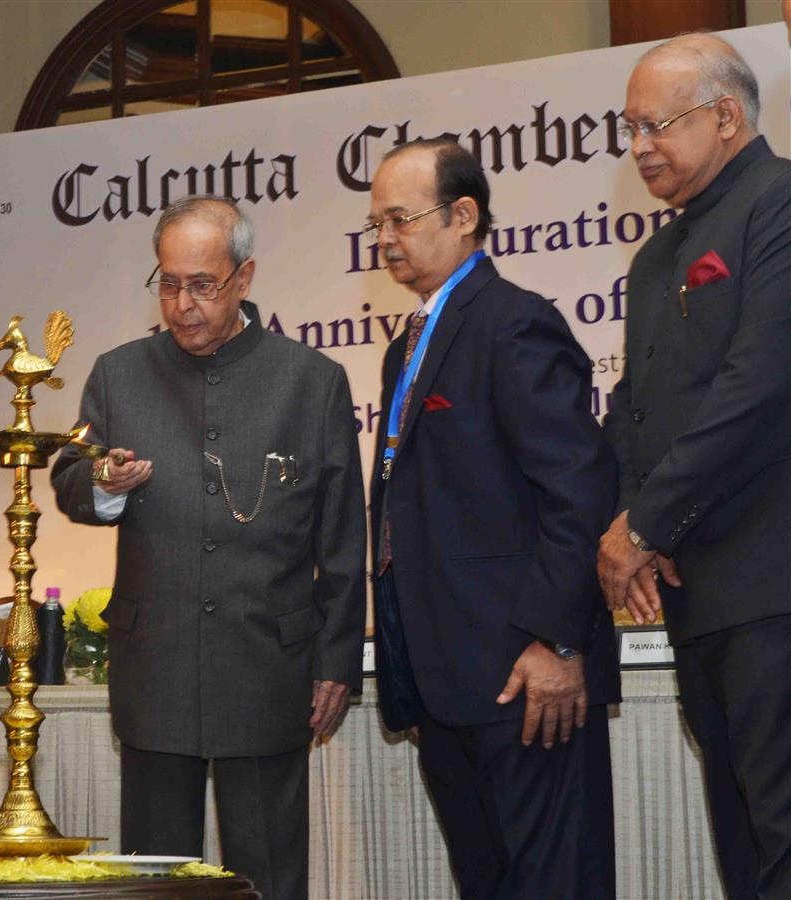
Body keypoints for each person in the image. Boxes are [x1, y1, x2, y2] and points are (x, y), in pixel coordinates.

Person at [50, 195, 367, 899]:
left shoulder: (311, 381)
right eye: (168, 284)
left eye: (203, 284)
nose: (184, 304)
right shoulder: (118, 373)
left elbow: (343, 538)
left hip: (269, 669)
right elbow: (68, 476)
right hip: (155, 668)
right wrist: (103, 481)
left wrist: (336, 660)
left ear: (244, 277)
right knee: (157, 884)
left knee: (269, 879)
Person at [368, 139, 620, 898]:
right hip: (446, 683)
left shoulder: (513, 324)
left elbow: (579, 489)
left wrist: (555, 639)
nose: (383, 239)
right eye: (376, 223)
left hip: (524, 675)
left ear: (464, 214)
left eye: (399, 219)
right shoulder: (406, 344)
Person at [598, 34, 791, 898]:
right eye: (630, 126)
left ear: (724, 116)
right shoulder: (653, 259)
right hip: (695, 588)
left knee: (783, 828)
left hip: (774, 585)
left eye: (656, 124)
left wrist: (642, 523)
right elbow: (635, 408)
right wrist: (640, 517)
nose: (639, 146)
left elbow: (760, 383)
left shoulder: (779, 204)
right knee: (740, 834)